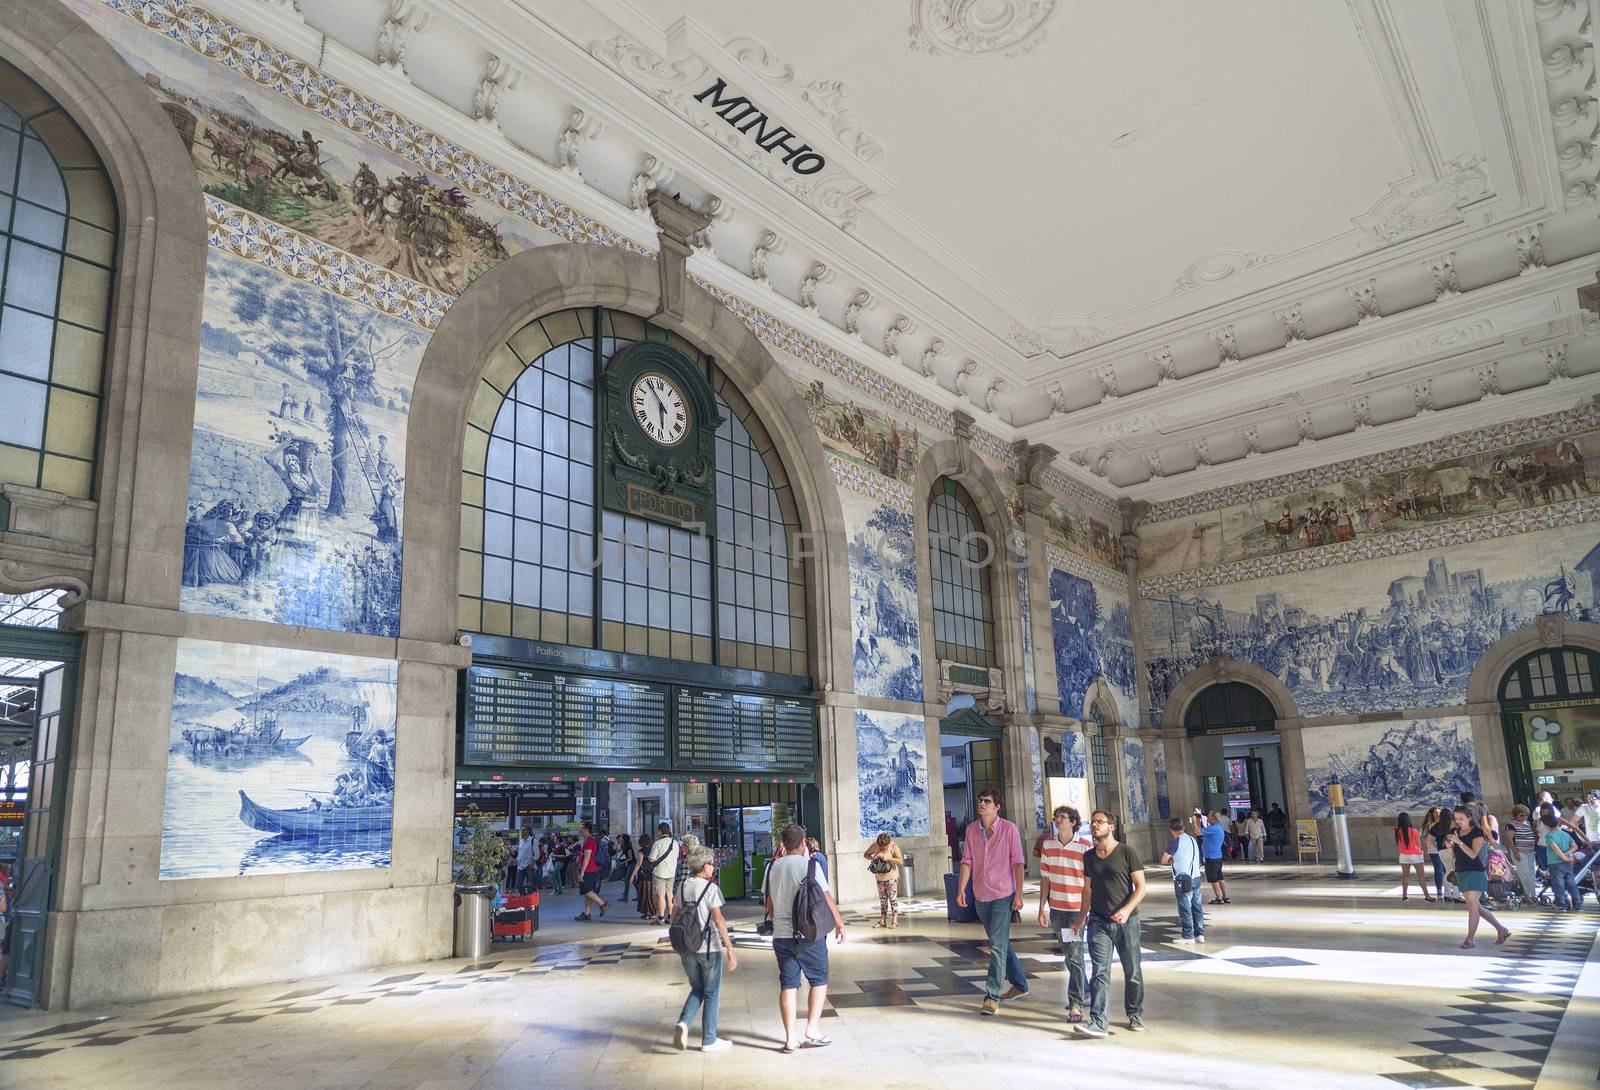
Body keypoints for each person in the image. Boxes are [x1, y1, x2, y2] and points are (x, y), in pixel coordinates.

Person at [765, 824, 845, 1053]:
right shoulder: (811, 865)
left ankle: (790, 1039)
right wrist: (839, 923)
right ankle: (812, 1029)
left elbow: (769, 907)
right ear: (802, 843)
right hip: (809, 934)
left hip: (781, 935)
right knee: (819, 980)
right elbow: (826, 898)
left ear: (783, 843)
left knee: (788, 985)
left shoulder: (773, 867)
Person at [1074, 811, 1147, 1038]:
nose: (1094, 825)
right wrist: (1080, 918)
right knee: (1100, 972)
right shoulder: (1088, 857)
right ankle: (1098, 1021)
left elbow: (1141, 886)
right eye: (1092, 822)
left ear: (1111, 827)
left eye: (1099, 822)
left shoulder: (1127, 852)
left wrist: (1126, 910)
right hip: (1098, 921)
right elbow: (1087, 889)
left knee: (1132, 972)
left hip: (1127, 922)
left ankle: (1134, 1013)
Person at [955, 789, 1029, 1015]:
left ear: (997, 807)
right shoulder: (971, 830)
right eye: (980, 800)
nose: (982, 804)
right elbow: (967, 861)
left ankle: (992, 996)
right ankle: (1020, 984)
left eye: (987, 801)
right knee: (1000, 942)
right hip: (981, 895)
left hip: (1002, 894)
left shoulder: (1009, 829)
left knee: (996, 946)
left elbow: (1017, 862)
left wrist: (1018, 893)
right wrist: (961, 890)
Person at [673, 846, 737, 1053]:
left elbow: (674, 916)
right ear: (703, 866)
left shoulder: (682, 886)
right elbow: (718, 920)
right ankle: (709, 1039)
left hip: (686, 948)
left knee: (697, 988)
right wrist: (730, 948)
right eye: (711, 863)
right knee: (711, 993)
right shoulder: (710, 889)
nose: (713, 867)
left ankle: (683, 1023)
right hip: (709, 948)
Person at [1038, 806, 1091, 1023]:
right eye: (1057, 817)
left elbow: (1089, 882)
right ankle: (1085, 990)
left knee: (1074, 955)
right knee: (1070, 955)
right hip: (1057, 910)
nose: (1059, 820)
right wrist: (1042, 907)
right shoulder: (1048, 845)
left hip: (1075, 911)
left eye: (1063, 817)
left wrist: (1086, 911)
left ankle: (1076, 1003)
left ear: (1073, 822)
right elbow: (1045, 878)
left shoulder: (1084, 846)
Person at [1445, 806, 1510, 948]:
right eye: (1456, 819)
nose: (1458, 821)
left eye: (1461, 818)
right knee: (1477, 907)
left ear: (1469, 817)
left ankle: (1469, 939)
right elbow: (1455, 855)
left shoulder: (1477, 833)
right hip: (1461, 871)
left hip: (1475, 871)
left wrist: (1459, 842)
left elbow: (1473, 854)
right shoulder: (1456, 833)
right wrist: (1449, 846)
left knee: (1472, 906)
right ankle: (1501, 929)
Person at [1159, 815, 1205, 944]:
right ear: (1183, 827)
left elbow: (1163, 860)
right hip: (1196, 876)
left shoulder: (1175, 842)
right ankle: (1199, 934)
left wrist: (1172, 860)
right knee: (1197, 906)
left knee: (1185, 907)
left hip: (1182, 878)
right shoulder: (1192, 839)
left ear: (1170, 829)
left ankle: (1187, 935)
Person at [1540, 812, 1583, 912]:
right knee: (1571, 883)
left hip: (1555, 863)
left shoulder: (1549, 836)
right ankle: (1578, 904)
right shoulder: (1565, 834)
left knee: (1558, 884)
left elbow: (1555, 849)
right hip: (1567, 864)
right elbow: (1575, 846)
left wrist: (1564, 857)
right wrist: (1567, 855)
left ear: (1546, 826)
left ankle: (1561, 905)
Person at [863, 832, 904, 929]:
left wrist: (889, 858)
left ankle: (894, 920)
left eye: (884, 847)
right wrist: (874, 858)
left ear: (888, 843)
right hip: (879, 877)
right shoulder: (875, 845)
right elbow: (866, 854)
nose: (882, 849)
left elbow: (900, 861)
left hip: (891, 877)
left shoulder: (893, 846)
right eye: (880, 847)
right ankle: (882, 920)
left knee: (892, 899)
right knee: (883, 900)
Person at [1503, 805, 1538, 906]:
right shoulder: (1511, 825)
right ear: (1515, 815)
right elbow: (1510, 840)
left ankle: (1533, 895)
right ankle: (1528, 895)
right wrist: (1515, 852)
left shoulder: (1527, 823)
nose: (1524, 818)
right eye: (1521, 815)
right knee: (1525, 874)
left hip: (1530, 851)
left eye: (1526, 815)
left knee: (1532, 874)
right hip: (1520, 852)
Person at [574, 821, 608, 921]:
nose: (580, 830)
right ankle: (586, 913)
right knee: (588, 891)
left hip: (589, 869)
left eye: (581, 828)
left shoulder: (589, 841)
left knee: (586, 890)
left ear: (586, 829)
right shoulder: (591, 840)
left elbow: (587, 858)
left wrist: (582, 872)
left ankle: (602, 904)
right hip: (593, 869)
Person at [646, 822, 680, 924]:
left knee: (660, 896)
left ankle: (660, 918)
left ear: (660, 831)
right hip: (671, 873)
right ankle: (670, 917)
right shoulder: (675, 843)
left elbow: (651, 859)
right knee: (669, 895)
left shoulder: (657, 843)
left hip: (659, 873)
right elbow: (676, 857)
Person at [1394, 813, 1429, 902]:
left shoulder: (1397, 831)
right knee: (1421, 876)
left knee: (1405, 876)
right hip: (1416, 855)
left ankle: (1404, 896)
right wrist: (1423, 852)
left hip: (1403, 856)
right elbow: (1418, 844)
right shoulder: (1414, 831)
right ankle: (1427, 896)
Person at [1426, 807, 1459, 902]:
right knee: (1453, 871)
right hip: (1451, 850)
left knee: (1448, 871)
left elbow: (1428, 839)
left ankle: (1447, 894)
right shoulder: (1452, 824)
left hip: (1441, 851)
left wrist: (1436, 846)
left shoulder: (1436, 826)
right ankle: (1455, 895)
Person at [1201, 811, 1228, 904]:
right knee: (1220, 877)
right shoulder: (1218, 827)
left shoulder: (1213, 828)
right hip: (1217, 856)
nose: (1206, 818)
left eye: (1208, 817)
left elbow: (1197, 831)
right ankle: (1225, 896)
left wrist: (1194, 821)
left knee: (1213, 879)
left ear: (1213, 818)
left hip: (1211, 857)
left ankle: (1219, 897)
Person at [633, 833, 655, 919]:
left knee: (645, 894)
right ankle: (652, 912)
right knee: (651, 894)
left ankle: (647, 913)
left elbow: (638, 864)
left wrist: (633, 875)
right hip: (652, 874)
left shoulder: (641, 851)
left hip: (643, 875)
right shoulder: (653, 849)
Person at [614, 833, 635, 902]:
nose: (620, 838)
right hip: (629, 864)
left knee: (626, 879)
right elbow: (620, 852)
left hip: (632, 864)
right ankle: (638, 895)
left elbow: (630, 858)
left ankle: (625, 896)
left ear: (624, 839)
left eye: (621, 837)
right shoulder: (625, 846)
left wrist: (622, 862)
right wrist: (619, 858)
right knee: (633, 881)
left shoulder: (628, 847)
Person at [515, 827, 534, 896]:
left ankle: (529, 897)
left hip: (529, 865)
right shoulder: (521, 841)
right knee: (519, 883)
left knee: (530, 884)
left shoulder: (532, 840)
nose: (522, 831)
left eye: (524, 830)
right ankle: (523, 896)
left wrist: (532, 863)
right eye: (522, 830)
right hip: (521, 866)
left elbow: (536, 854)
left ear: (528, 831)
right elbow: (519, 853)